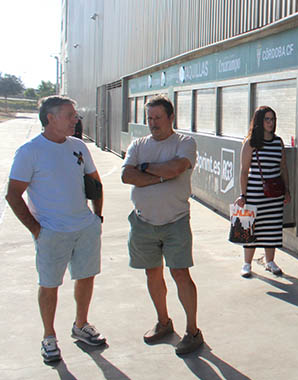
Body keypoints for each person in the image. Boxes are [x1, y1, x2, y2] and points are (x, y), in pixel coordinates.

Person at [5, 95, 106, 363]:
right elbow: (13, 195)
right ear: (50, 118)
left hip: (85, 227)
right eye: (70, 115)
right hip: (51, 232)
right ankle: (49, 336)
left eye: (75, 115)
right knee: (49, 284)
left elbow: (95, 182)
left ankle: (81, 324)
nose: (76, 119)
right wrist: (37, 230)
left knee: (86, 276)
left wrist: (97, 218)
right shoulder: (30, 152)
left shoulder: (78, 146)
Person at [121, 95, 203, 355]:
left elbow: (176, 169)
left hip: (175, 221)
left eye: (158, 118)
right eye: (149, 118)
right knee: (152, 273)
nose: (153, 123)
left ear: (171, 118)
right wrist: (158, 177)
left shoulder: (185, 143)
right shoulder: (138, 144)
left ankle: (193, 331)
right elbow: (126, 175)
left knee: (180, 274)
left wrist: (145, 170)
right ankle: (163, 322)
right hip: (143, 222)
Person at [235, 106, 290, 278]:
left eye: (272, 119)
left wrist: (287, 190)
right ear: (259, 121)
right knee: (251, 227)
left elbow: (283, 168)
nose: (270, 123)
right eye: (267, 119)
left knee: (272, 227)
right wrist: (243, 195)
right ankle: (247, 264)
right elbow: (244, 171)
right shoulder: (251, 142)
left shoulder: (278, 142)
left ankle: (270, 261)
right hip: (255, 192)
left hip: (274, 193)